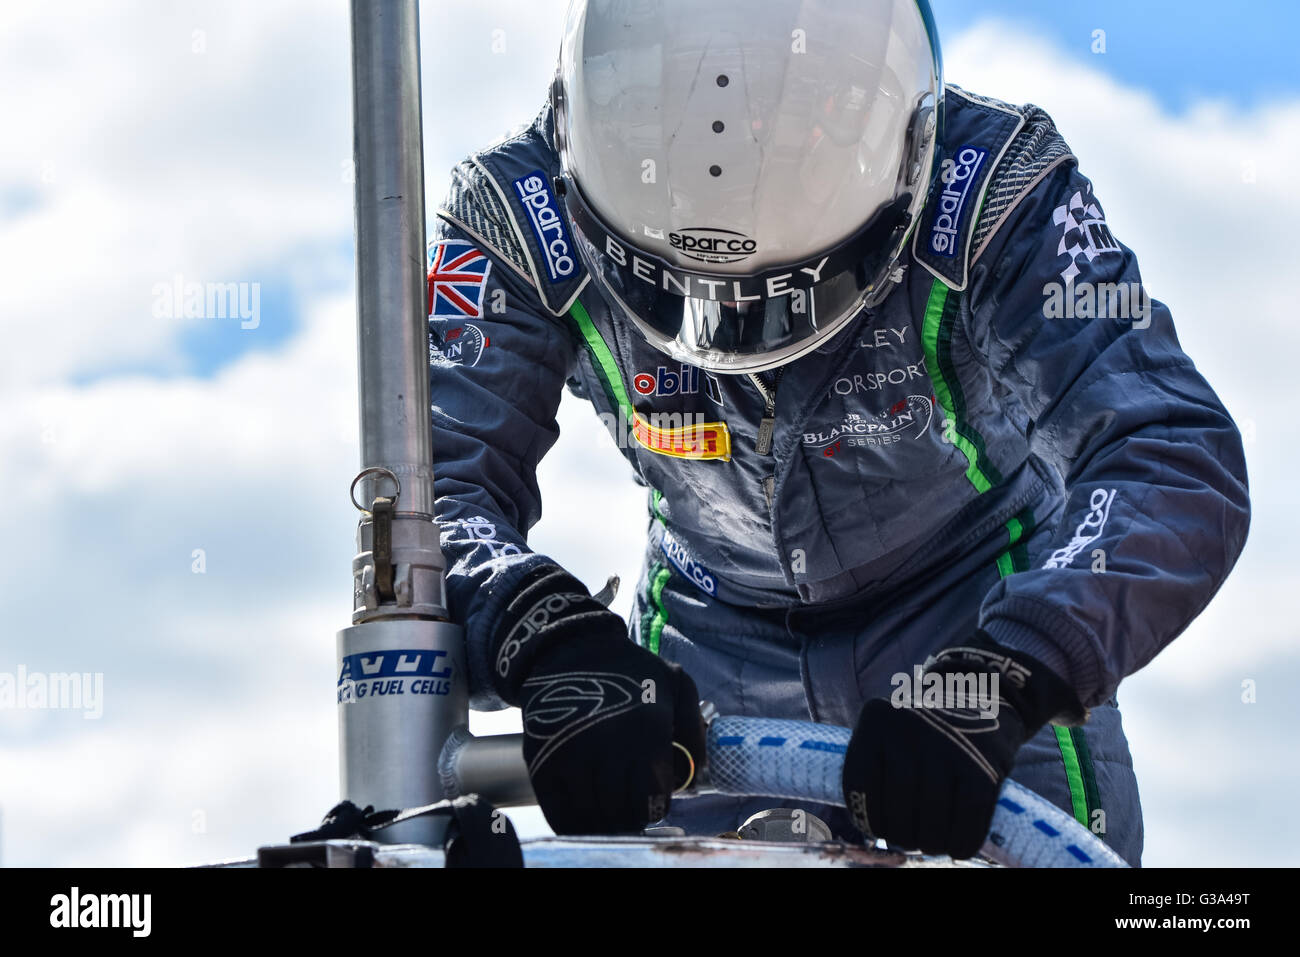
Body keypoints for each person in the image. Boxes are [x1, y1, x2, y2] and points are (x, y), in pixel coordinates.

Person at [423, 0, 1249, 864]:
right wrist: (545, 633)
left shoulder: (996, 191)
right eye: (677, 288)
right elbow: (434, 489)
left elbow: (1169, 450)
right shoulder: (514, 220)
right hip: (709, 649)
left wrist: (1012, 667)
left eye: (787, 292)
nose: (737, 339)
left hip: (973, 615)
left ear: (905, 159)